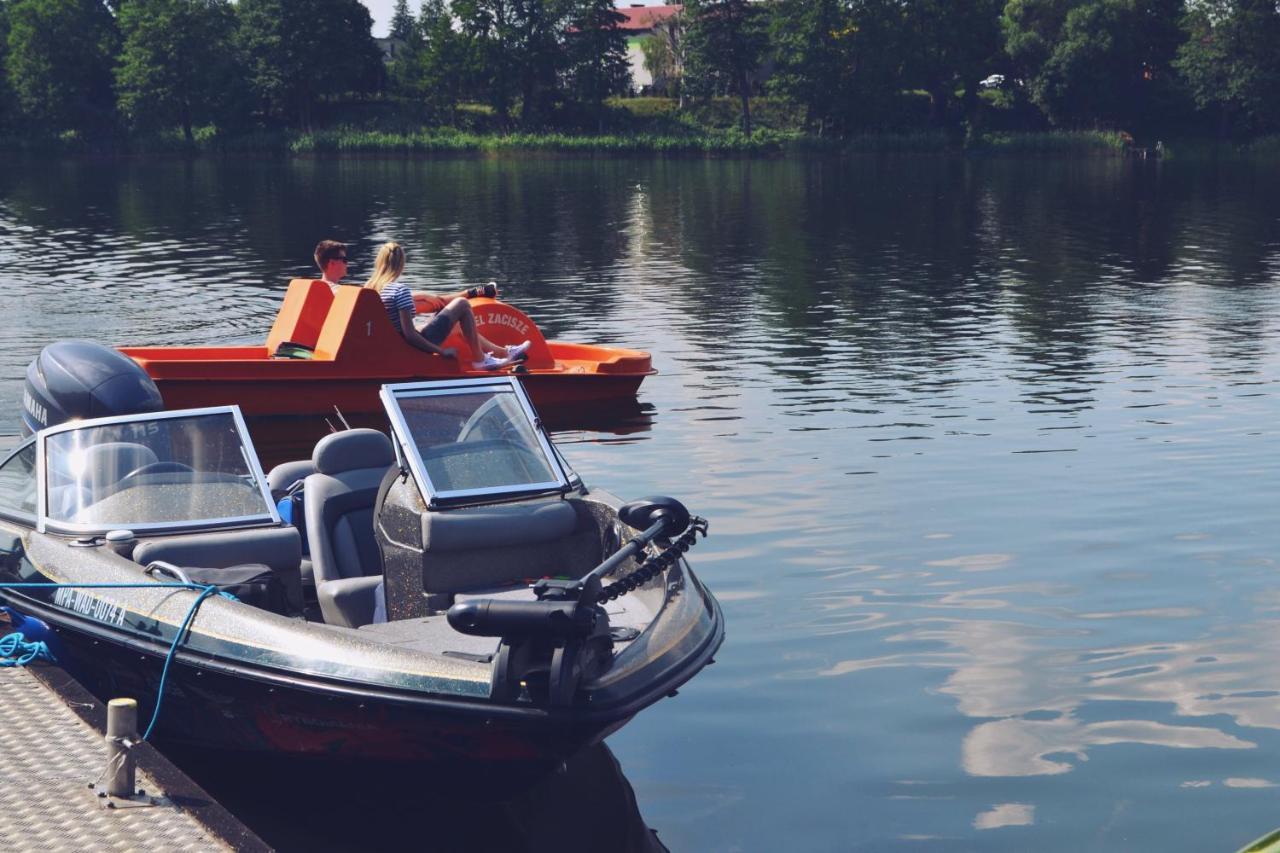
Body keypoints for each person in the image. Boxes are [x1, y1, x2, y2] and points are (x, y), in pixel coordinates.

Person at [363, 241, 530, 370]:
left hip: (391, 343)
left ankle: (504, 353)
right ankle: (481, 360)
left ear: (379, 262)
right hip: (409, 345)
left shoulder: (370, 287)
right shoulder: (400, 290)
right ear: (401, 264)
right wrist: (440, 351)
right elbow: (409, 335)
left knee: (454, 321)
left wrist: (423, 296)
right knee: (462, 305)